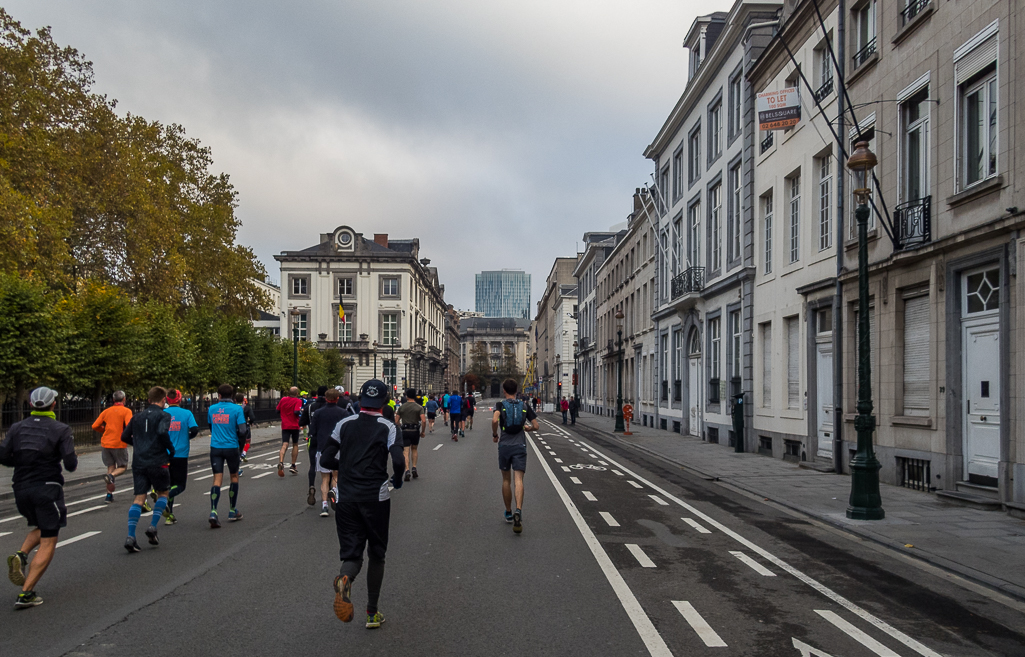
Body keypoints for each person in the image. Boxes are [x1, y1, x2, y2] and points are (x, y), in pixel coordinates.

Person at [320, 379, 404, 629]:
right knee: (377, 553)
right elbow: (398, 460)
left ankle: (345, 578)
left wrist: (344, 467)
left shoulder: (344, 424)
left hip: (346, 496)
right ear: (384, 401)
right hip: (374, 497)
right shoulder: (388, 426)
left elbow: (325, 458)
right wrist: (397, 480)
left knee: (352, 553)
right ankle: (372, 612)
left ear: (360, 400)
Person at [1, 387, 77, 609]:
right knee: (50, 538)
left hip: (21, 489)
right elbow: (71, 464)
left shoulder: (17, 427)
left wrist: (24, 462)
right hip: (47, 488)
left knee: (41, 526)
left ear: (31, 405)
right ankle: (26, 594)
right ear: (53, 404)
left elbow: (3, 455)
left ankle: (21, 555)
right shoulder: (60, 429)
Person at [121, 387, 175, 552]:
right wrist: (170, 450)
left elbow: (124, 436)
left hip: (139, 461)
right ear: (164, 399)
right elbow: (161, 432)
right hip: (158, 460)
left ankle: (131, 536)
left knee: (139, 498)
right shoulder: (164, 415)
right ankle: (152, 526)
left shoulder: (137, 416)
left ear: (149, 399)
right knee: (163, 493)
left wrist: (138, 445)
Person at [492, 379, 539, 534]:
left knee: (506, 480)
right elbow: (537, 426)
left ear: (504, 390)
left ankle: (508, 511)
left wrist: (495, 434)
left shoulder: (500, 405)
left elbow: (494, 420)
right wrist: (528, 429)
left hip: (505, 445)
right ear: (517, 390)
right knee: (518, 479)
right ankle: (519, 509)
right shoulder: (524, 405)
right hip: (520, 445)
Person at [207, 384, 248, 528]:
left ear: (219, 395)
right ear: (232, 395)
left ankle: (213, 511)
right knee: (234, 477)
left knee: (217, 479)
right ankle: (232, 510)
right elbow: (243, 430)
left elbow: (210, 426)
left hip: (216, 447)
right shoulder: (237, 409)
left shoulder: (212, 409)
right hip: (231, 447)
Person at [310, 388, 348, 516]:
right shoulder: (343, 413)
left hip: (322, 447)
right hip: (337, 447)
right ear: (337, 399)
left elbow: (313, 431)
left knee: (324, 478)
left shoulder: (318, 413)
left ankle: (324, 505)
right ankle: (335, 494)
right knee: (336, 475)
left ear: (326, 398)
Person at [164, 390, 199, 525]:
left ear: (167, 399)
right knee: (180, 485)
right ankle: (165, 500)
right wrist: (187, 437)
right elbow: (195, 429)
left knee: (169, 483)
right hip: (180, 453)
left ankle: (169, 514)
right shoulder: (187, 414)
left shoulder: (163, 414)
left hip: (164, 453)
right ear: (179, 399)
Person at [92, 390, 132, 504]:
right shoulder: (126, 411)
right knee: (122, 467)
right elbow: (129, 425)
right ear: (124, 399)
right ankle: (112, 475)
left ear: (113, 400)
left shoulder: (106, 411)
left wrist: (104, 430)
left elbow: (95, 425)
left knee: (110, 466)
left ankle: (109, 495)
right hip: (119, 443)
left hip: (106, 443)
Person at [302, 387, 329, 506]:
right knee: (330, 466)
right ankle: (329, 490)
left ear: (317, 394)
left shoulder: (310, 407)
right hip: (328, 439)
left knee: (313, 464)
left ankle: (311, 486)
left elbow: (301, 422)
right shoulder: (330, 407)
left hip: (314, 438)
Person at [396, 389, 426, 481]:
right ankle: (414, 467)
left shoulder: (402, 407)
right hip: (415, 430)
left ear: (407, 396)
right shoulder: (419, 407)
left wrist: (400, 426)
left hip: (405, 430)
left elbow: (396, 420)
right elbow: (424, 420)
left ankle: (407, 470)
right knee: (414, 449)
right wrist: (423, 431)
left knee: (406, 451)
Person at [276, 387, 303, 477]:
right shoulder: (298, 401)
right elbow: (296, 411)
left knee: (285, 444)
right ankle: (293, 465)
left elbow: (277, 410)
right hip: (295, 425)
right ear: (297, 393)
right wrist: (301, 412)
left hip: (285, 425)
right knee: (295, 444)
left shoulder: (283, 399)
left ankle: (281, 462)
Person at [238, 394, 255, 462]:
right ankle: (244, 453)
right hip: (245, 426)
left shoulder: (233, 407)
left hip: (235, 427)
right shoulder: (246, 408)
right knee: (247, 441)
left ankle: (239, 455)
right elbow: (252, 417)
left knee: (237, 442)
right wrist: (251, 422)